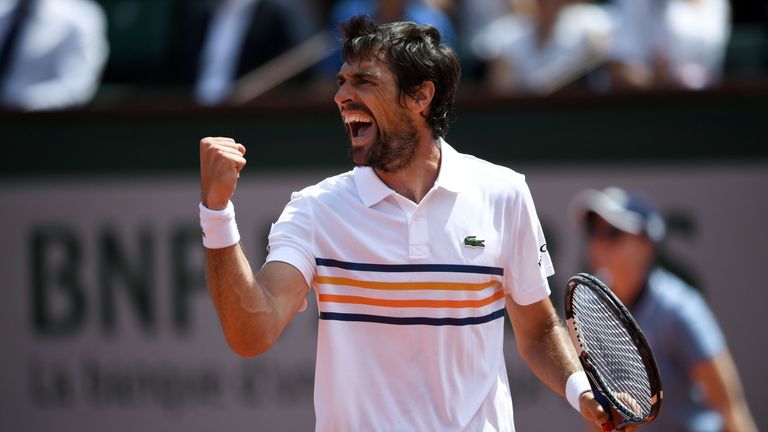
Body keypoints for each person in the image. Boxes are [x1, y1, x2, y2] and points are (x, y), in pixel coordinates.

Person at [198, 15, 622, 431]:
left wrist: (581, 391)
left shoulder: (504, 194)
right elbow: (251, 333)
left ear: (421, 97)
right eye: (341, 81)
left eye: (364, 81)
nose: (341, 96)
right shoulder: (315, 210)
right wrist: (216, 212)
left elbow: (539, 328)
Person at [569, 186, 758, 431]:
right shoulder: (587, 305)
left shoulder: (679, 310)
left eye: (613, 233)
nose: (600, 242)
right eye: (594, 231)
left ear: (646, 244)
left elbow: (730, 406)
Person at [0, 0, 108, 111]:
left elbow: (76, 88)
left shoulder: (82, 16)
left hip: (40, 121)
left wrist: (13, 101)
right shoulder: (3, 8)